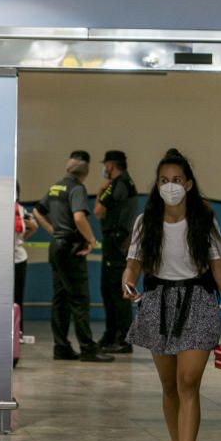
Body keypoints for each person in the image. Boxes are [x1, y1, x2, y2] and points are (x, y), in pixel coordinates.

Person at [123, 148, 221, 441]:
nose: (170, 186)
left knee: (188, 380)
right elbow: (134, 262)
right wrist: (128, 280)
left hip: (197, 301)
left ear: (190, 185)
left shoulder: (204, 220)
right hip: (158, 302)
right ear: (156, 185)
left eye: (177, 180)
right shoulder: (145, 221)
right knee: (169, 386)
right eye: (164, 180)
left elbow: (220, 270)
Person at [34, 151, 114, 362]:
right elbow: (79, 217)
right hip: (71, 249)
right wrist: (91, 239)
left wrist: (52, 230)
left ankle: (61, 347)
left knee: (60, 300)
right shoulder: (77, 189)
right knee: (79, 299)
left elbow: (37, 211)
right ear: (85, 171)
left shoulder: (55, 187)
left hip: (56, 247)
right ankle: (88, 348)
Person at [94, 150, 139, 353]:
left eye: (106, 165)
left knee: (116, 292)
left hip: (117, 244)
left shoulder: (117, 185)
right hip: (117, 243)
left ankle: (122, 339)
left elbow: (98, 211)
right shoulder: (126, 183)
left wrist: (99, 192)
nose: (104, 169)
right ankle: (111, 335)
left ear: (111, 166)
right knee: (109, 290)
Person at [14, 182, 38, 334]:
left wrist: (22, 240)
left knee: (17, 297)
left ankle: (18, 331)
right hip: (1, 261)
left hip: (18, 259)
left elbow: (34, 226)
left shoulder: (22, 211)